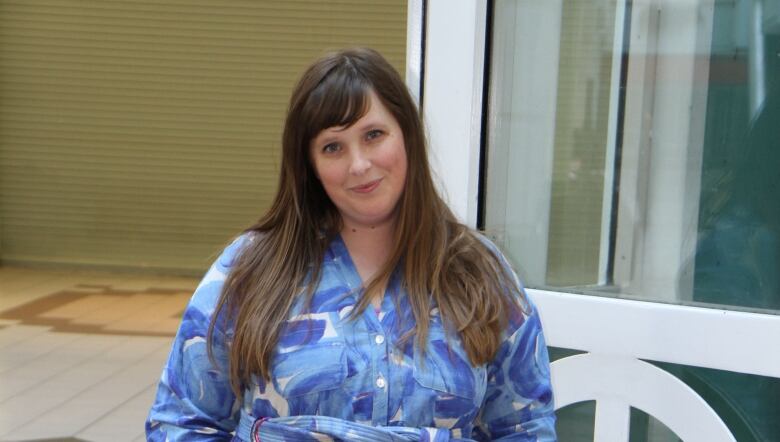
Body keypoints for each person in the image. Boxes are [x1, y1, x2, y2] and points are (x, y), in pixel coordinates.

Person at [146, 47, 557, 441]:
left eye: (374, 135)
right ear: (311, 167)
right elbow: (181, 422)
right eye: (333, 147)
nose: (359, 165)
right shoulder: (251, 269)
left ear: (407, 136)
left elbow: (525, 428)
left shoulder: (478, 271)